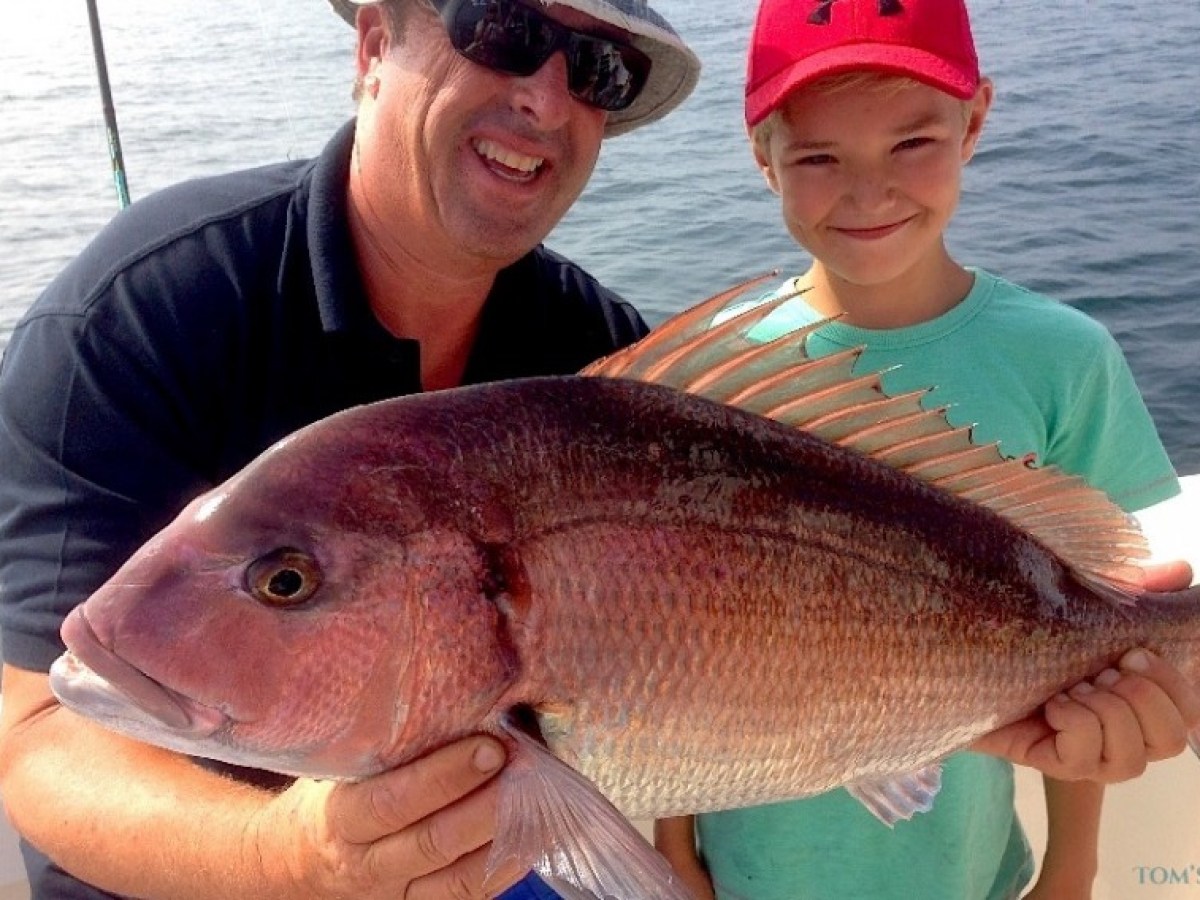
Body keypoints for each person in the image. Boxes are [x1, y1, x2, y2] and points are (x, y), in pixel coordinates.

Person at [0, 1, 701, 898]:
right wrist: (291, 861)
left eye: (598, 68)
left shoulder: (601, 364)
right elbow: (42, 736)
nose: (547, 99)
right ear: (373, 45)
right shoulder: (139, 317)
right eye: (502, 29)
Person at [654, 0, 1200, 898]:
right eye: (819, 157)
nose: (869, 193)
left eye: (912, 144)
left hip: (971, 874)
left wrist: (1072, 868)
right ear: (762, 157)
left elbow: (1090, 643)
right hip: (751, 874)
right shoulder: (711, 371)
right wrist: (675, 850)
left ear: (975, 121)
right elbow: (659, 642)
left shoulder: (1064, 359)